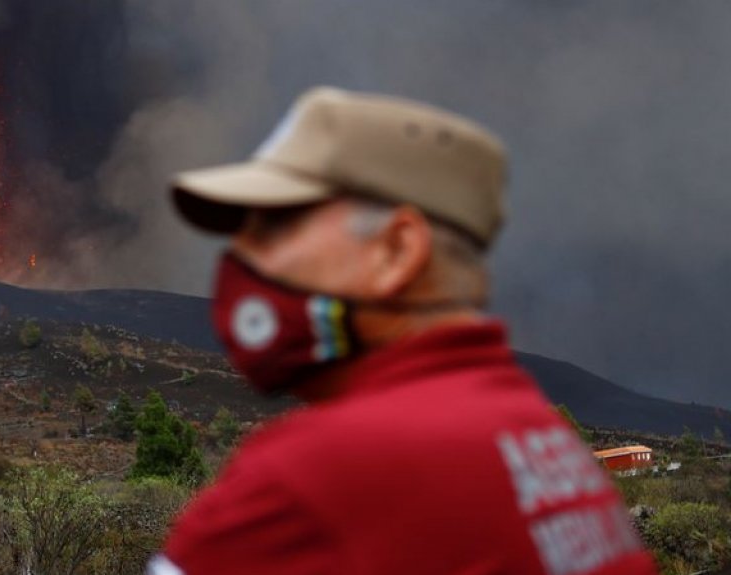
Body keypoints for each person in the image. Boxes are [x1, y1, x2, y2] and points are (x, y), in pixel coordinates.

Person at [146, 87, 657, 575]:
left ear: (397, 250)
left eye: (276, 226)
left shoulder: (312, 481)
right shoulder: (544, 445)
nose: (241, 259)